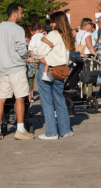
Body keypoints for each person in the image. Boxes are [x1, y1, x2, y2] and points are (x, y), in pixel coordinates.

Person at [0, 3, 35, 141]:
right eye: (21, 13)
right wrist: (27, 57)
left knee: (1, 98)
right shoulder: (18, 29)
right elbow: (21, 48)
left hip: (2, 69)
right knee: (20, 97)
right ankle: (20, 129)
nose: (22, 15)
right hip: (16, 68)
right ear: (14, 14)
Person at [33, 11, 74, 140]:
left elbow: (39, 52)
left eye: (52, 21)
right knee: (60, 99)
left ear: (56, 22)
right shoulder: (67, 35)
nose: (50, 24)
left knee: (47, 101)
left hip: (49, 69)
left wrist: (38, 55)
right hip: (61, 70)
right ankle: (65, 130)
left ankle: (51, 132)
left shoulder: (53, 34)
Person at [27, 23, 44, 103]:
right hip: (44, 59)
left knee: (31, 79)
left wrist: (33, 57)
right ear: (40, 29)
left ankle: (30, 97)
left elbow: (30, 49)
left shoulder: (33, 37)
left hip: (35, 59)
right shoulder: (43, 36)